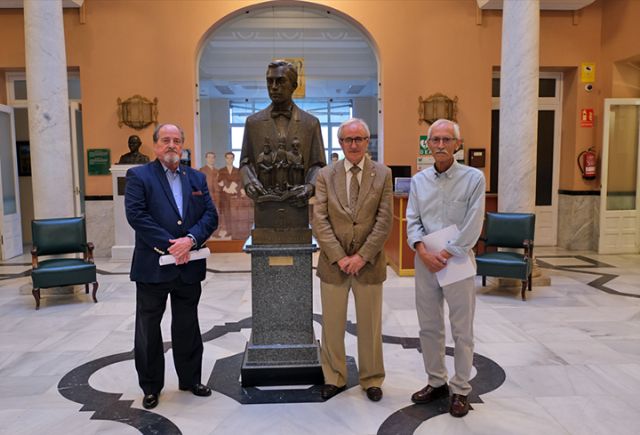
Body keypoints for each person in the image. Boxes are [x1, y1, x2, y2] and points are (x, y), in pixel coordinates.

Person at [125, 123, 218, 410]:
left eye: (176, 140)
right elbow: (137, 216)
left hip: (188, 266)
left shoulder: (196, 178)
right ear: (155, 145)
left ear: (183, 145)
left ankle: (190, 380)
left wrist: (189, 240)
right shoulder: (139, 175)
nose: (171, 145)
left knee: (187, 325)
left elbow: (210, 216)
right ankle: (151, 386)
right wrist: (171, 244)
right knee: (149, 328)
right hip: (153, 266)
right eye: (165, 140)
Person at [405, 119, 485, 418]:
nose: (439, 145)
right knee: (429, 326)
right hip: (425, 261)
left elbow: (474, 221)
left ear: (457, 144)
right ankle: (436, 381)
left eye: (446, 140)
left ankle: (461, 388)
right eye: (434, 140)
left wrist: (449, 252)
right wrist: (423, 251)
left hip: (458, 261)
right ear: (428, 144)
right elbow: (412, 219)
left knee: (462, 329)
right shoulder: (419, 180)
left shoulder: (474, 178)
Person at [313, 118, 392, 402]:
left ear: (367, 141)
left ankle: (371, 378)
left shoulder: (383, 174)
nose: (354, 144)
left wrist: (361, 256)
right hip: (334, 265)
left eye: (359, 139)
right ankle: (334, 376)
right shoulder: (325, 175)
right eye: (348, 140)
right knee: (332, 324)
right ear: (341, 143)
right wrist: (340, 257)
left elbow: (384, 221)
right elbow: (319, 220)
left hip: (369, 264)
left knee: (370, 325)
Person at [239, 60, 325, 203]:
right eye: (270, 81)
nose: (273, 87)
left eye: (280, 81)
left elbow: (319, 164)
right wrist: (249, 182)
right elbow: (245, 162)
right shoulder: (253, 123)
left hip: (298, 205)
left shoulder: (311, 123)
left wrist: (310, 186)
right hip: (264, 203)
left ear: (294, 86)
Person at [217, 151, 243, 238]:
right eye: (227, 158)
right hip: (224, 196)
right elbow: (219, 182)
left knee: (235, 214)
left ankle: (235, 231)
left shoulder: (237, 170)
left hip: (235, 196)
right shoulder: (221, 171)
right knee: (227, 214)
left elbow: (240, 182)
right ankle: (229, 231)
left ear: (233, 159)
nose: (229, 160)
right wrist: (227, 188)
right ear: (225, 159)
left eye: (231, 158)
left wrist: (235, 188)